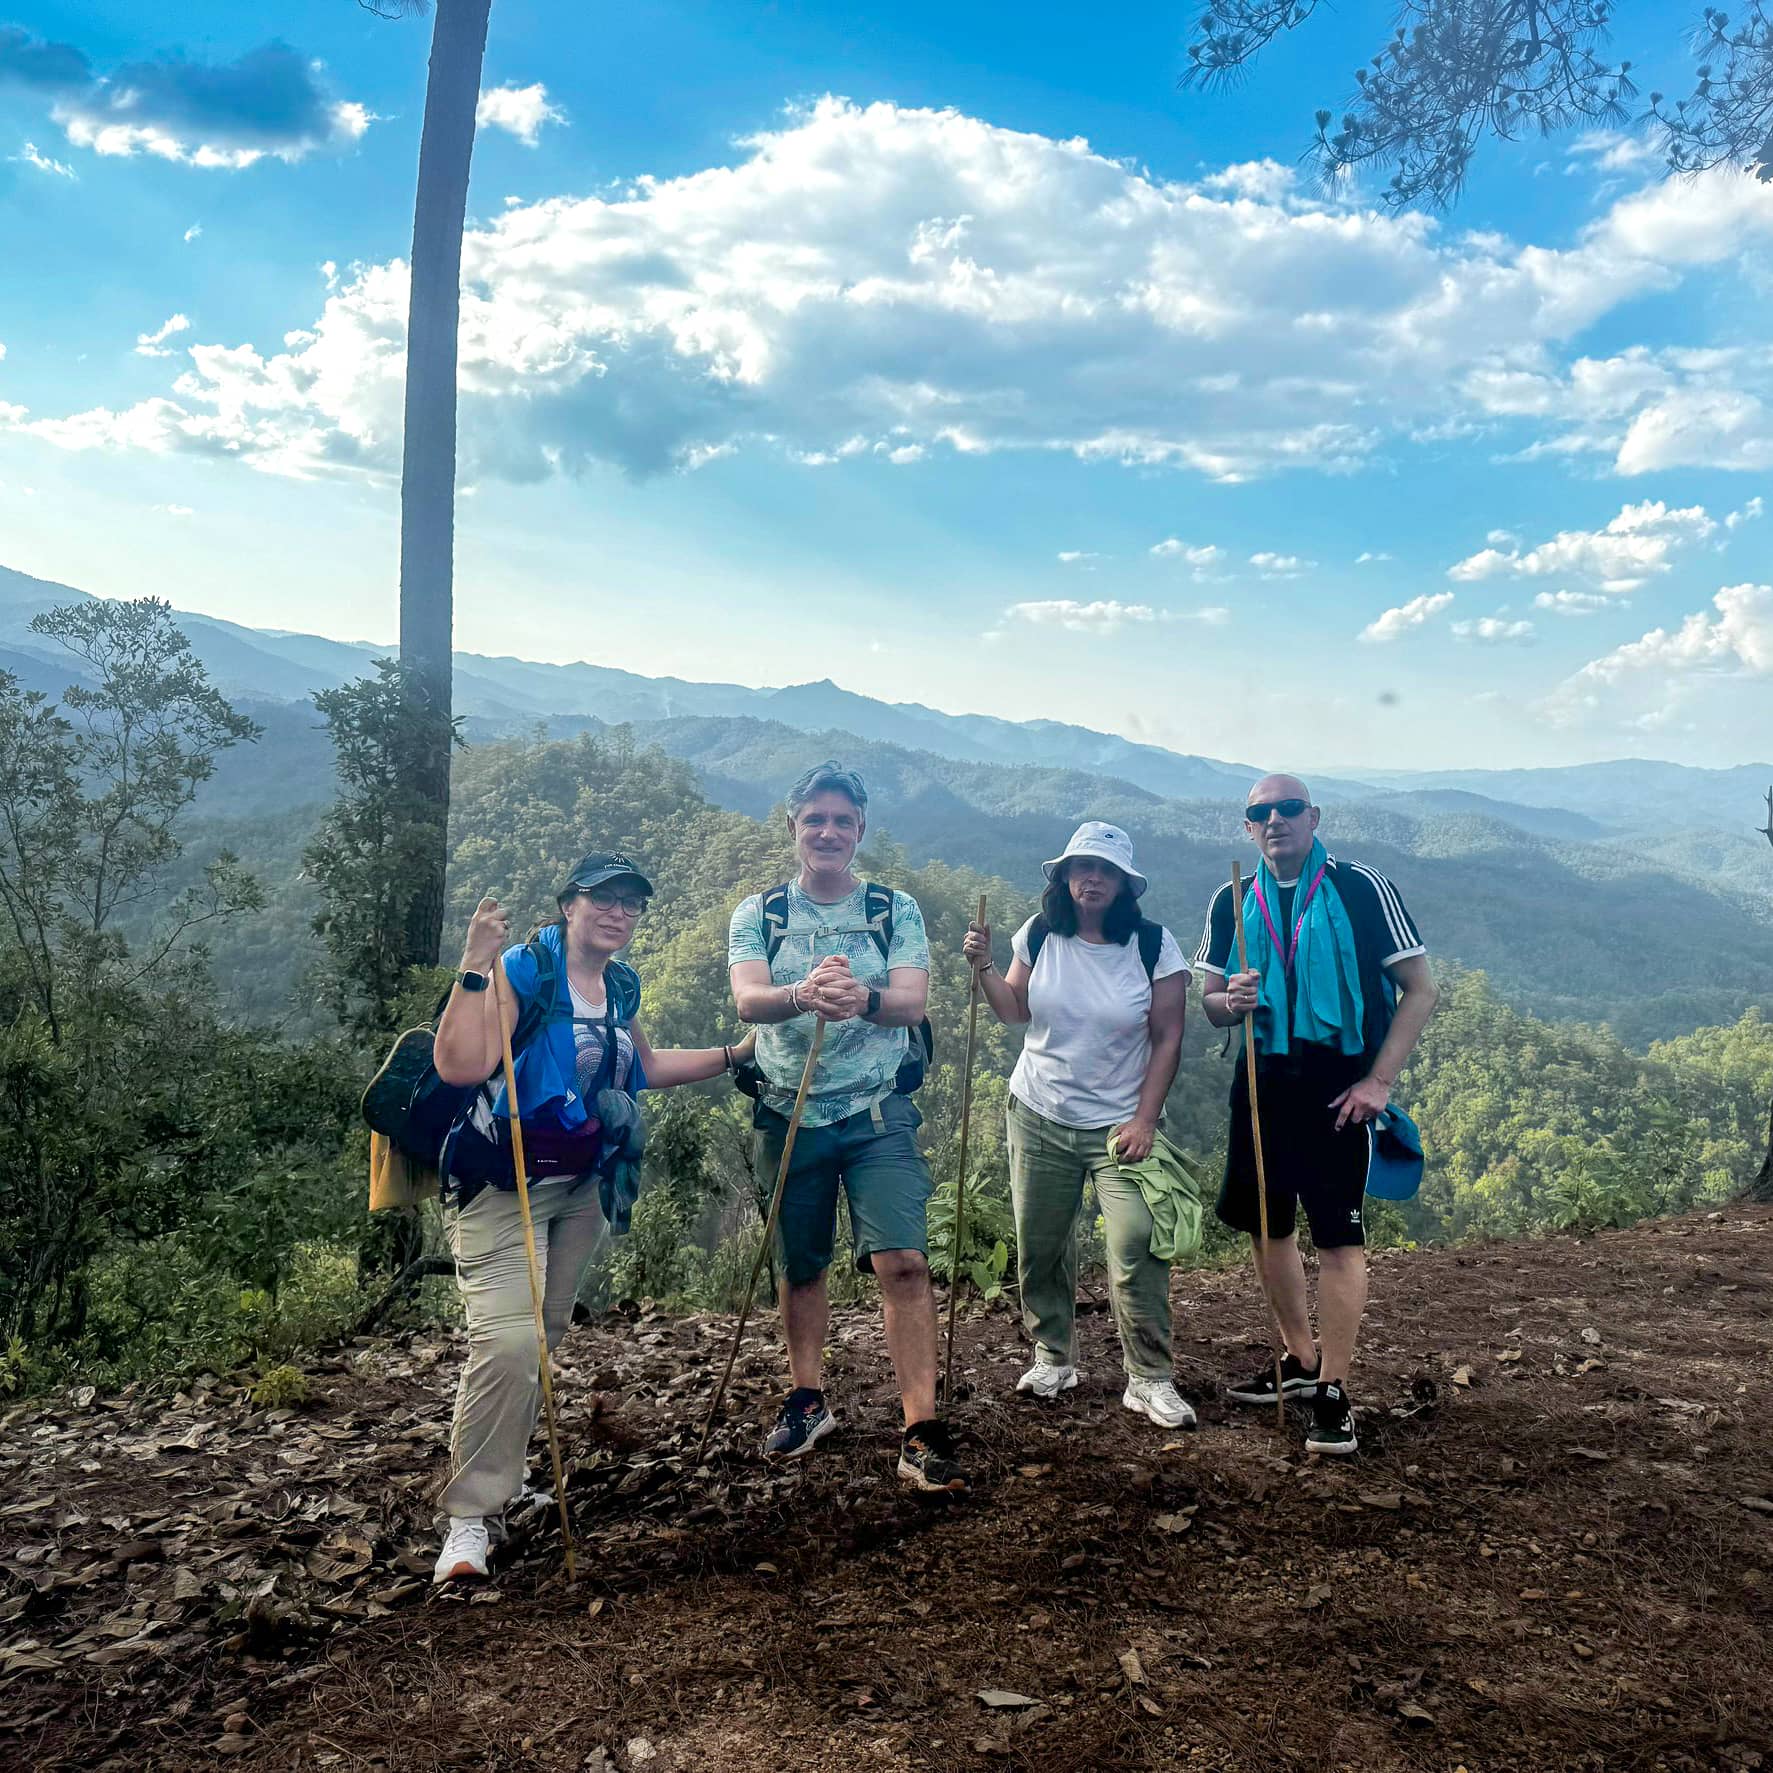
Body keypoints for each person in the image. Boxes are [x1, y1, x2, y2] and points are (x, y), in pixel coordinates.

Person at [429, 854, 753, 1582]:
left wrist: (736, 1054)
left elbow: (644, 1066)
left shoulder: (618, 987)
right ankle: (469, 1520)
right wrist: (474, 965)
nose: (617, 912)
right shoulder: (524, 970)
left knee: (539, 1338)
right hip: (499, 1183)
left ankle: (502, 1487)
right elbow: (459, 1066)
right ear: (569, 903)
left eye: (630, 903)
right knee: (508, 1343)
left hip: (580, 1188)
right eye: (603, 898)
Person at [728, 762, 968, 1495]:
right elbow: (748, 1001)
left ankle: (919, 1426)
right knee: (800, 1265)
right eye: (814, 820)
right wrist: (802, 993)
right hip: (789, 1110)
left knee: (902, 1261)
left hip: (874, 1111)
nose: (827, 831)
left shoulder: (894, 909)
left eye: (841, 821)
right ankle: (807, 1398)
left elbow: (909, 1003)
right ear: (794, 827)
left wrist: (859, 996)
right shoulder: (758, 912)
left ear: (859, 831)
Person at [1196, 776, 1438, 1457]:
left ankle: (1333, 1387)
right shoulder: (1232, 897)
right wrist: (1228, 1001)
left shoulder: (1362, 887)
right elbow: (1208, 999)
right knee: (1267, 1228)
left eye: (1287, 808)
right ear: (1247, 827)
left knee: (1337, 1239)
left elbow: (1419, 989)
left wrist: (1378, 1081)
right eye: (1258, 812)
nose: (1274, 819)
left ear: (1313, 817)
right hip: (1259, 1081)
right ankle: (1298, 1361)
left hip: (1339, 1089)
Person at [962, 822, 1194, 1428]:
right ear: (1065, 877)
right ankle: (1054, 1355)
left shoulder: (1153, 946)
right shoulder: (1039, 934)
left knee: (1137, 1240)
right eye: (1082, 867)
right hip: (1038, 1114)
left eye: (1106, 870)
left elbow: (1169, 1036)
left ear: (1124, 884)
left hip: (1121, 1126)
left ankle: (1149, 1376)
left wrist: (1146, 1119)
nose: (1092, 878)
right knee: (1040, 1246)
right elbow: (1014, 1010)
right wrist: (984, 967)